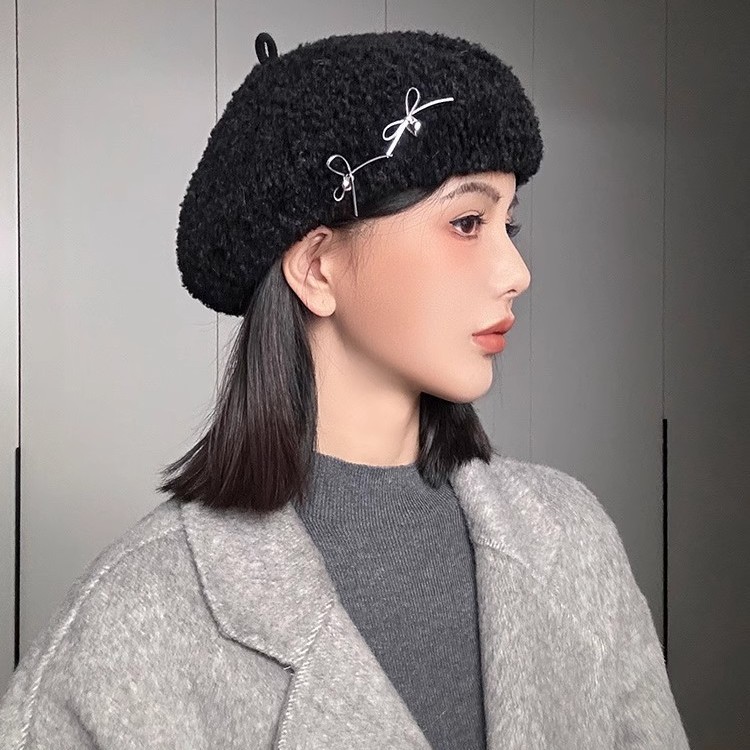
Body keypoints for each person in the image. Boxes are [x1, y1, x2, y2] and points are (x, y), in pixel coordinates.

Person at [0, 29, 689, 749]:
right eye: (467, 222)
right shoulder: (133, 617)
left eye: (507, 224)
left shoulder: (571, 539)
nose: (516, 272)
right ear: (318, 269)